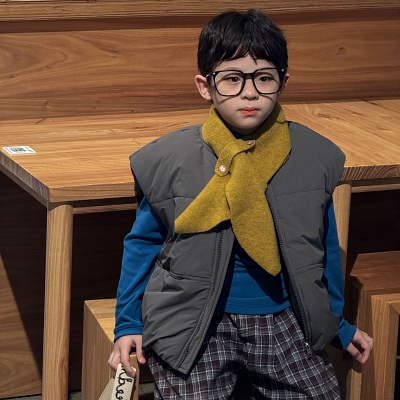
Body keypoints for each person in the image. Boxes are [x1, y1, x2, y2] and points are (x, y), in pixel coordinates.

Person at [108, 9, 373, 399]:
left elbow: (322, 248)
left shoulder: (312, 156)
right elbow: (143, 243)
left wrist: (334, 324)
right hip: (195, 323)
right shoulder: (170, 159)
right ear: (205, 86)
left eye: (264, 78)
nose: (249, 92)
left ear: (283, 82)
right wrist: (128, 323)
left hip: (285, 320)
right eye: (232, 78)